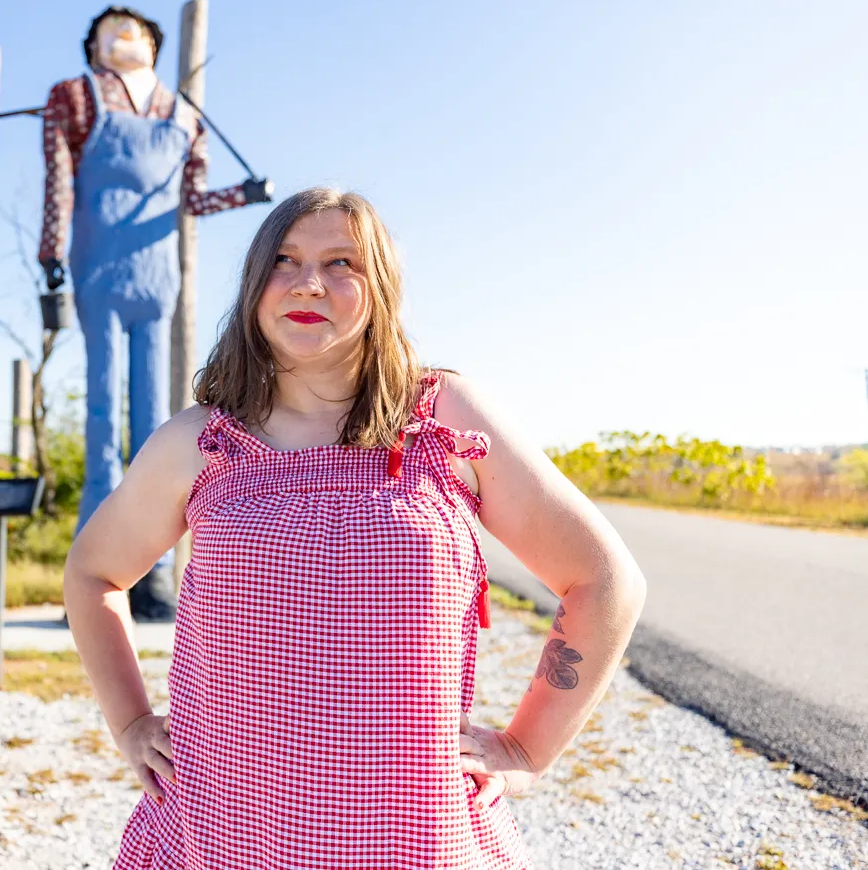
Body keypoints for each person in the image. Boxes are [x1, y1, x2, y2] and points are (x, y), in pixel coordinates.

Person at [62, 186, 648, 868]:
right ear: (255, 286)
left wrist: (525, 748)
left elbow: (605, 581)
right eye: (284, 259)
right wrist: (131, 722)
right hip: (223, 833)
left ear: (381, 290)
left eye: (343, 262)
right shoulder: (200, 442)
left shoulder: (445, 417)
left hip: (415, 838)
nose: (309, 281)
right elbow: (93, 573)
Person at [40, 5, 272, 622]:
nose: (121, 35)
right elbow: (58, 184)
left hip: (156, 277)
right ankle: (93, 573)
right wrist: (50, 255)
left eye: (134, 29)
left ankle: (154, 576)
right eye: (107, 29)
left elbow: (192, 197)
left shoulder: (183, 114)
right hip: (97, 272)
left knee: (159, 425)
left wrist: (244, 196)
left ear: (154, 44)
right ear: (91, 46)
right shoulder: (76, 98)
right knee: (99, 419)